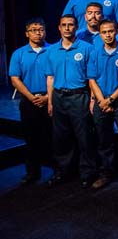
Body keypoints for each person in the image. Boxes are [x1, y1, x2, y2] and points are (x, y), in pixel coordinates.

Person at [44, 15, 95, 188]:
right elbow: (50, 78)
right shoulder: (51, 50)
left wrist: (92, 99)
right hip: (59, 97)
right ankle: (63, 171)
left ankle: (87, 173)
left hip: (79, 96)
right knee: (61, 137)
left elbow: (91, 78)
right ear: (59, 28)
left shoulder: (87, 48)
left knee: (84, 137)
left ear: (76, 27)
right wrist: (50, 101)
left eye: (70, 25)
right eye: (64, 25)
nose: (67, 28)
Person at [88, 19, 118, 190]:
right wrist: (101, 100)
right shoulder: (95, 53)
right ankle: (105, 173)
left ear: (117, 31)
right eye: (104, 32)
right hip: (101, 101)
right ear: (100, 34)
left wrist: (110, 100)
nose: (108, 35)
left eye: (111, 31)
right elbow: (92, 80)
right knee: (103, 140)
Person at [9, 18, 51, 185]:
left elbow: (57, 76)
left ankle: (58, 171)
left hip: (50, 99)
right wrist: (31, 97)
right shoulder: (19, 53)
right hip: (29, 100)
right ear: (27, 33)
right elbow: (15, 79)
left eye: (41, 29)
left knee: (53, 136)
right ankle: (33, 172)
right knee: (30, 138)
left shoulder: (53, 50)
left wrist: (48, 97)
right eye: (34, 30)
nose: (38, 33)